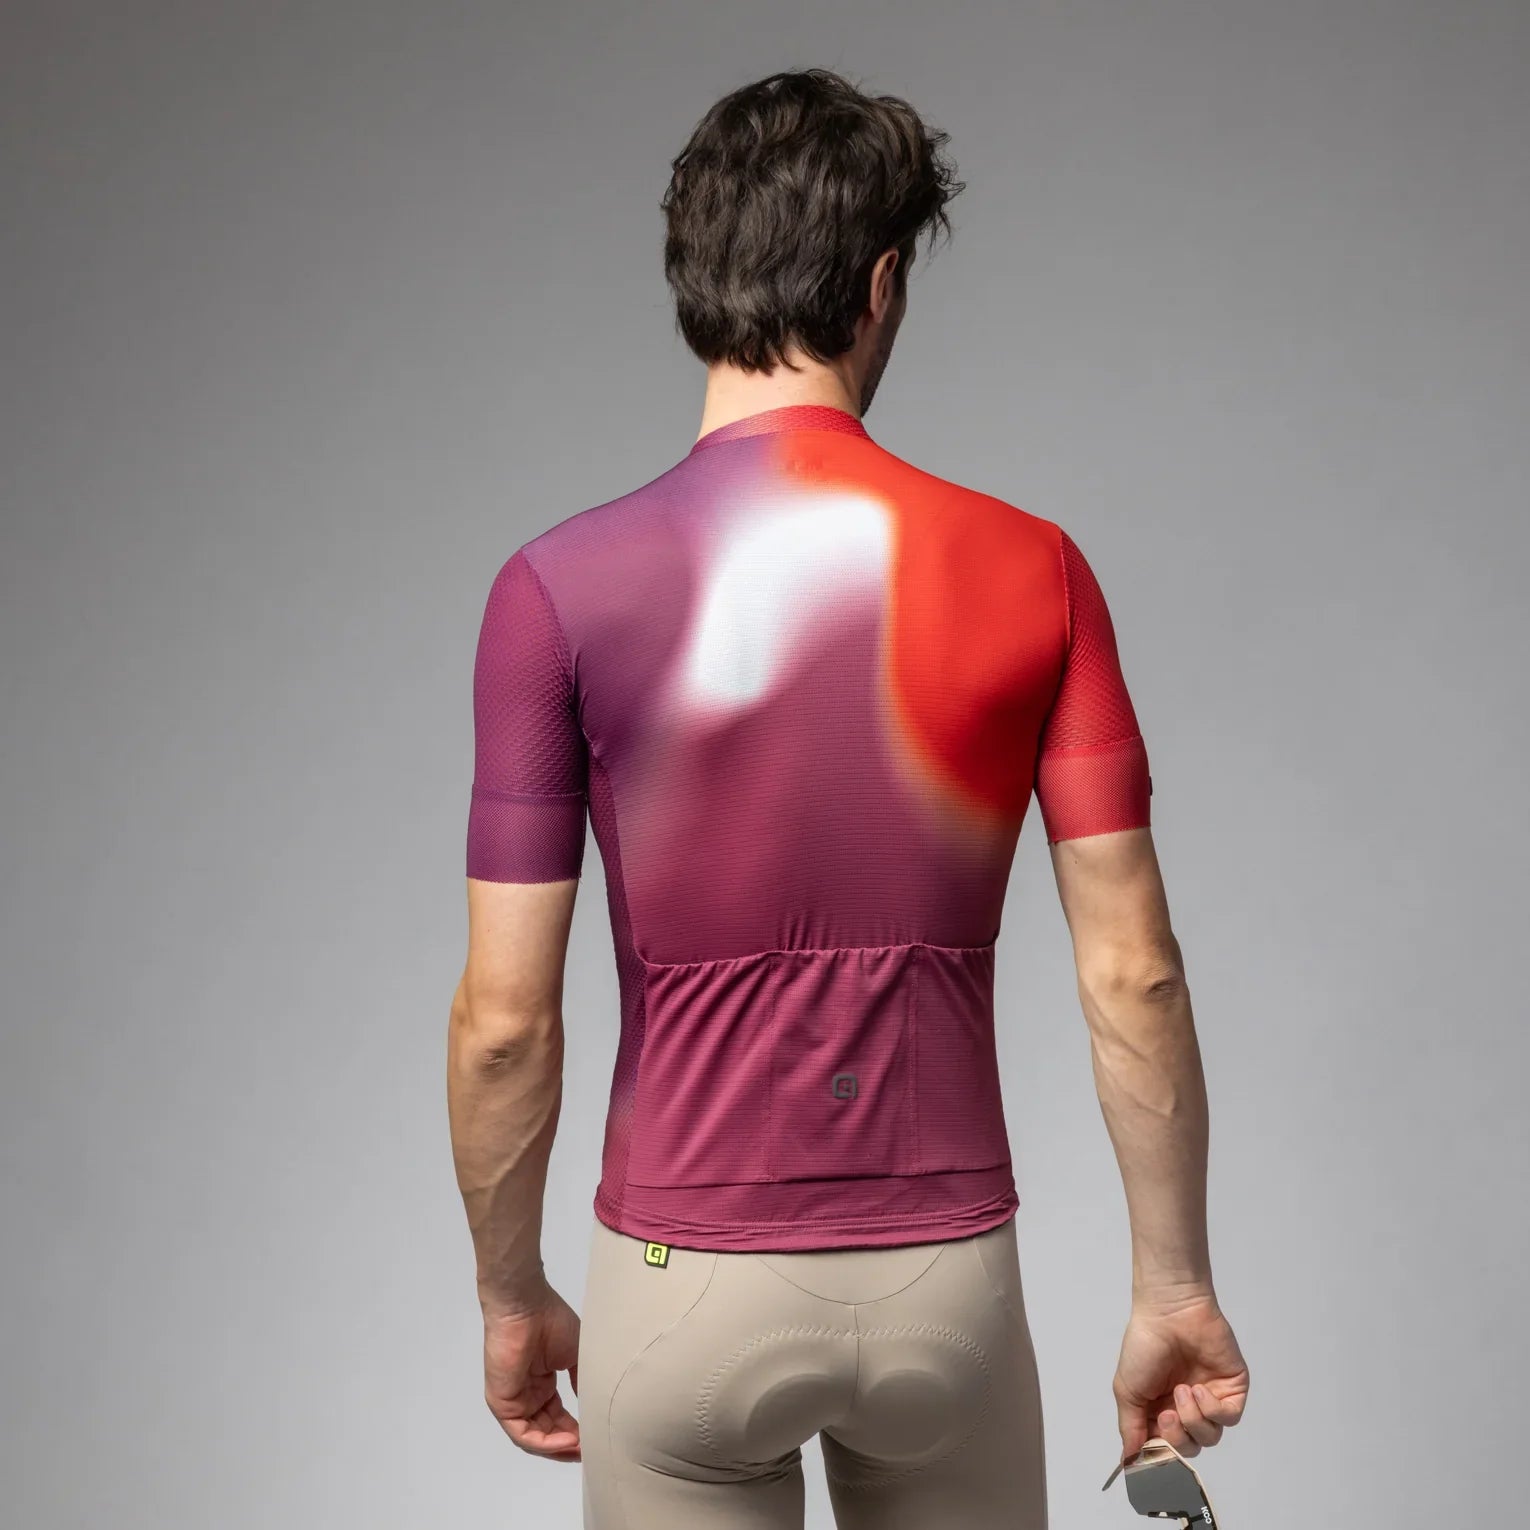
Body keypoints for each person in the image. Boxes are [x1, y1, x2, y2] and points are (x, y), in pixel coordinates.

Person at [446, 66, 1249, 1529]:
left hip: (679, 1280)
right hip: (945, 1276)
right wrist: (1173, 1286)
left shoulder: (552, 592)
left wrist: (510, 1295)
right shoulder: (1038, 572)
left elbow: (505, 1024)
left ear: (692, 280)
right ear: (882, 285)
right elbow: (1134, 970)